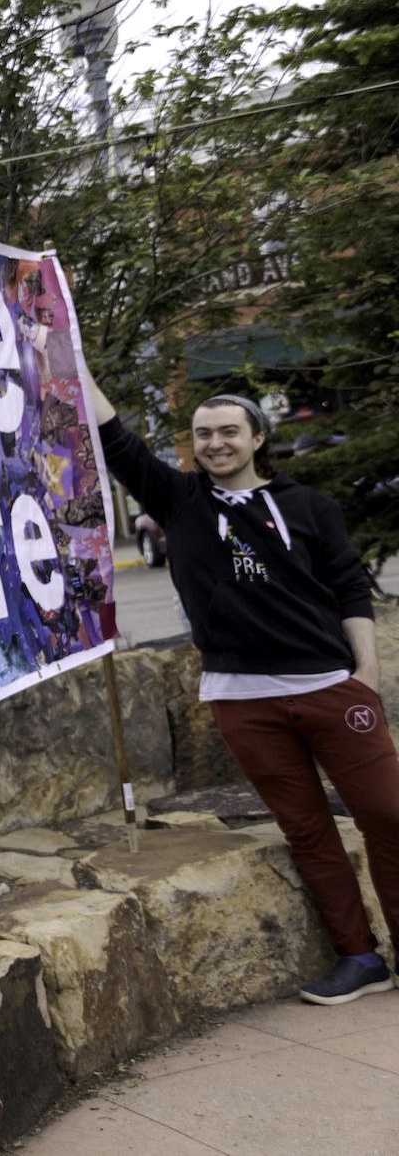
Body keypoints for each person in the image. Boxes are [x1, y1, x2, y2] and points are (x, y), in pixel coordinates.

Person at [89, 378, 394, 1006]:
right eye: (203, 433)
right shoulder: (179, 501)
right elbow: (116, 441)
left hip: (330, 686)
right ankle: (360, 957)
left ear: (258, 438)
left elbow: (348, 587)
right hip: (243, 700)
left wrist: (365, 672)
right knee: (307, 829)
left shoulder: (309, 506)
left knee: (389, 815)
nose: (215, 443)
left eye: (229, 431)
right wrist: (65, 355)